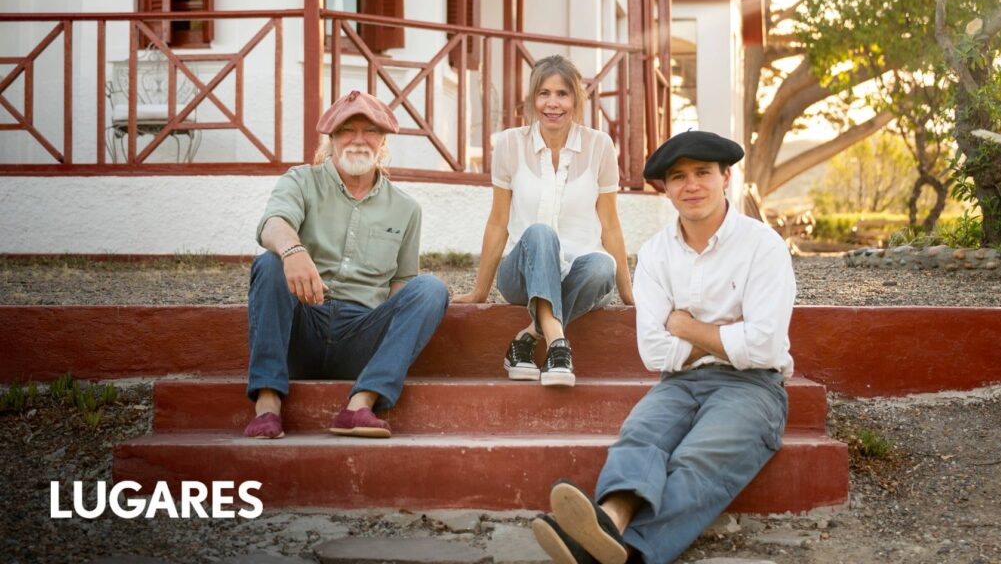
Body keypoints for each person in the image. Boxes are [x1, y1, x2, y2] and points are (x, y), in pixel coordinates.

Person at [530, 130, 796, 564]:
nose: (691, 185)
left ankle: (630, 553)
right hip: (679, 383)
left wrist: (684, 325)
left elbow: (763, 348)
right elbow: (654, 352)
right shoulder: (655, 254)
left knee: (698, 459)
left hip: (752, 387)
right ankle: (608, 523)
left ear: (725, 177)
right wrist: (725, 335)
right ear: (667, 189)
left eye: (702, 173)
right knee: (640, 438)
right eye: (678, 177)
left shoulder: (762, 246)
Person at [243, 90, 449, 440]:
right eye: (346, 130)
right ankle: (267, 406)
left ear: (383, 141)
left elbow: (402, 285)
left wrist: (388, 337)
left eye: (369, 131)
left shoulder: (406, 208)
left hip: (361, 338)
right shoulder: (301, 180)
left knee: (431, 289)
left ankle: (360, 405)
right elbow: (272, 223)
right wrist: (293, 252)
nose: (358, 140)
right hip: (302, 326)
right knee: (270, 263)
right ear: (332, 138)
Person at [453, 55, 634, 387]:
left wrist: (628, 293)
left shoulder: (599, 146)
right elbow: (497, 221)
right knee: (540, 233)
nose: (553, 103)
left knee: (601, 267)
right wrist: (479, 291)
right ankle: (556, 343)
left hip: (578, 276)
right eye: (544, 93)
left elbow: (610, 224)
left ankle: (526, 338)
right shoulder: (510, 143)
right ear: (532, 98)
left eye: (563, 94)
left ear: (576, 100)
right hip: (523, 272)